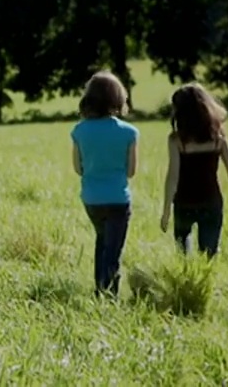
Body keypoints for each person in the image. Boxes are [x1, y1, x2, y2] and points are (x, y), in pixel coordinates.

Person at [70, 71, 139, 297]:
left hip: (91, 199)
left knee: (102, 243)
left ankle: (99, 289)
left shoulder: (79, 131)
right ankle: (109, 295)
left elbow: (78, 169)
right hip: (118, 199)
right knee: (113, 251)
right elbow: (131, 172)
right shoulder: (129, 132)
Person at [160, 83, 228, 258]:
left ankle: (185, 283)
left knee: (182, 253)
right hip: (211, 201)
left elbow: (172, 177)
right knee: (209, 254)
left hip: (184, 203)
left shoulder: (177, 141)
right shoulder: (218, 138)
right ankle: (206, 284)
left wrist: (166, 210)